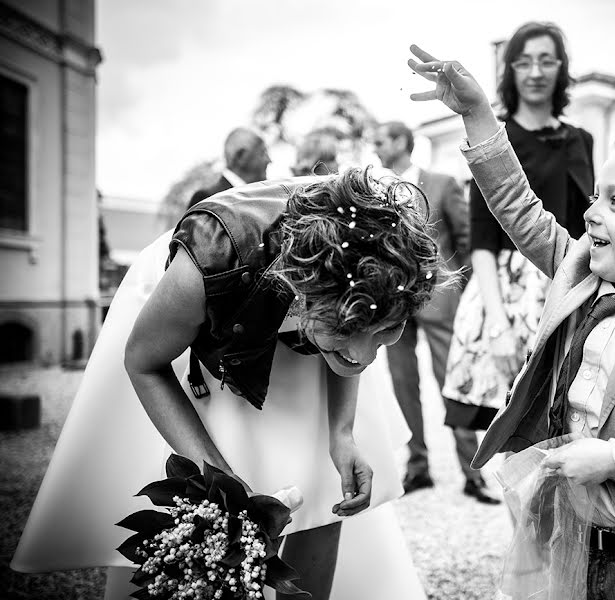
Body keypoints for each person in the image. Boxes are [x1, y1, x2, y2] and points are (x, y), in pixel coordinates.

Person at [408, 45, 615, 600]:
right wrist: (476, 115)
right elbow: (516, 205)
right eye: (595, 195)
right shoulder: (577, 272)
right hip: (561, 539)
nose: (590, 213)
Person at [12, 168, 444, 600]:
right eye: (348, 330)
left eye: (388, 330)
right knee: (200, 481)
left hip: (308, 303)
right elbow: (143, 363)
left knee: (319, 472)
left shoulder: (369, 284)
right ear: (302, 289)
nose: (365, 355)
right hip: (198, 319)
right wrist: (224, 488)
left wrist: (341, 433)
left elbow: (351, 351)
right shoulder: (208, 262)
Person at [441, 21, 595, 438]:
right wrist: (497, 325)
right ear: (510, 72)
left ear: (560, 69)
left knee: (569, 420)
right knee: (514, 433)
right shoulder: (495, 136)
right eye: (524, 62)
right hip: (507, 295)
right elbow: (482, 242)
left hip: (570, 277)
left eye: (546, 60)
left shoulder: (581, 139)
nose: (535, 71)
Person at [373, 120, 498, 504]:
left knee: (452, 384)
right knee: (403, 385)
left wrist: (458, 290)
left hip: (440, 302)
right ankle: (418, 468)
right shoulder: (374, 191)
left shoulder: (442, 184)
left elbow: (466, 239)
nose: (375, 147)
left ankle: (472, 473)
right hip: (393, 305)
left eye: (380, 140)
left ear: (400, 143)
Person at [187, 126, 271, 209]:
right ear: (241, 156)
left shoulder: (263, 199)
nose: (269, 160)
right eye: (263, 153)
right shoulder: (207, 200)